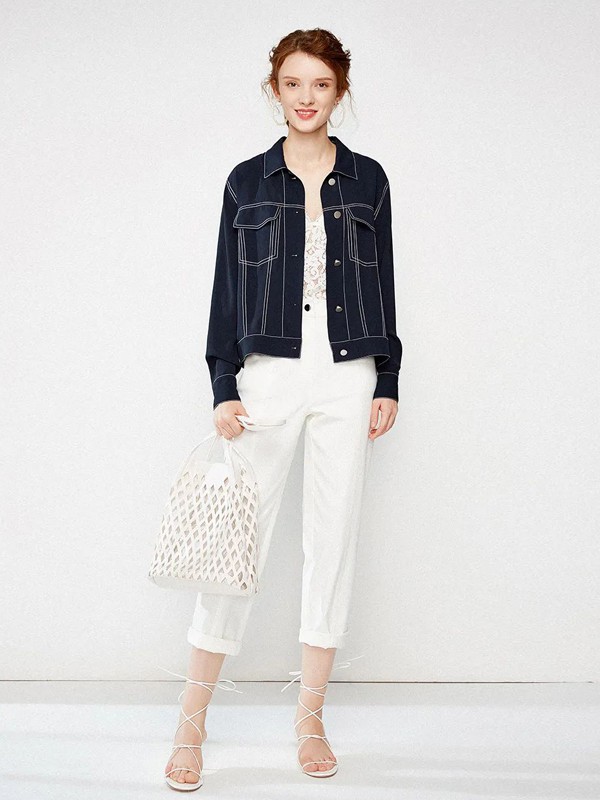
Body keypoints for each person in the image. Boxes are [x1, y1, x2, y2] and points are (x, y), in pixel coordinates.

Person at [164, 27, 401, 790]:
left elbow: (383, 282)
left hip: (347, 374)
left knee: (332, 544)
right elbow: (225, 289)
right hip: (269, 374)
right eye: (293, 83)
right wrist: (223, 383)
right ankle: (191, 724)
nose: (306, 98)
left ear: (340, 91)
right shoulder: (247, 181)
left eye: (321, 85)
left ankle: (311, 721)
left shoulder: (368, 179)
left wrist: (388, 377)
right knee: (236, 548)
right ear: (275, 89)